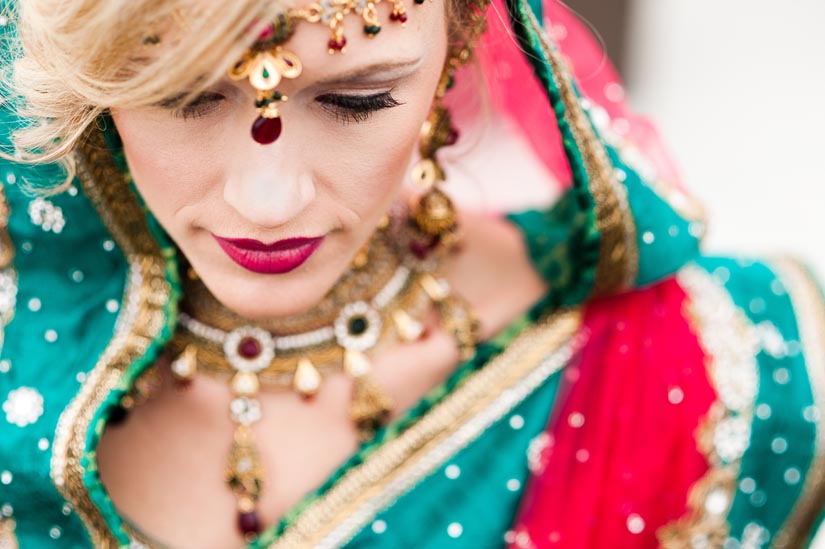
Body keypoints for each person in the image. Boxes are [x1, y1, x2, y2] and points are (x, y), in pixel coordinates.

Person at [0, 0, 823, 546]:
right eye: (181, 96)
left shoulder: (728, 365)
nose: (269, 197)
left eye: (357, 99)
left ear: (462, 34)